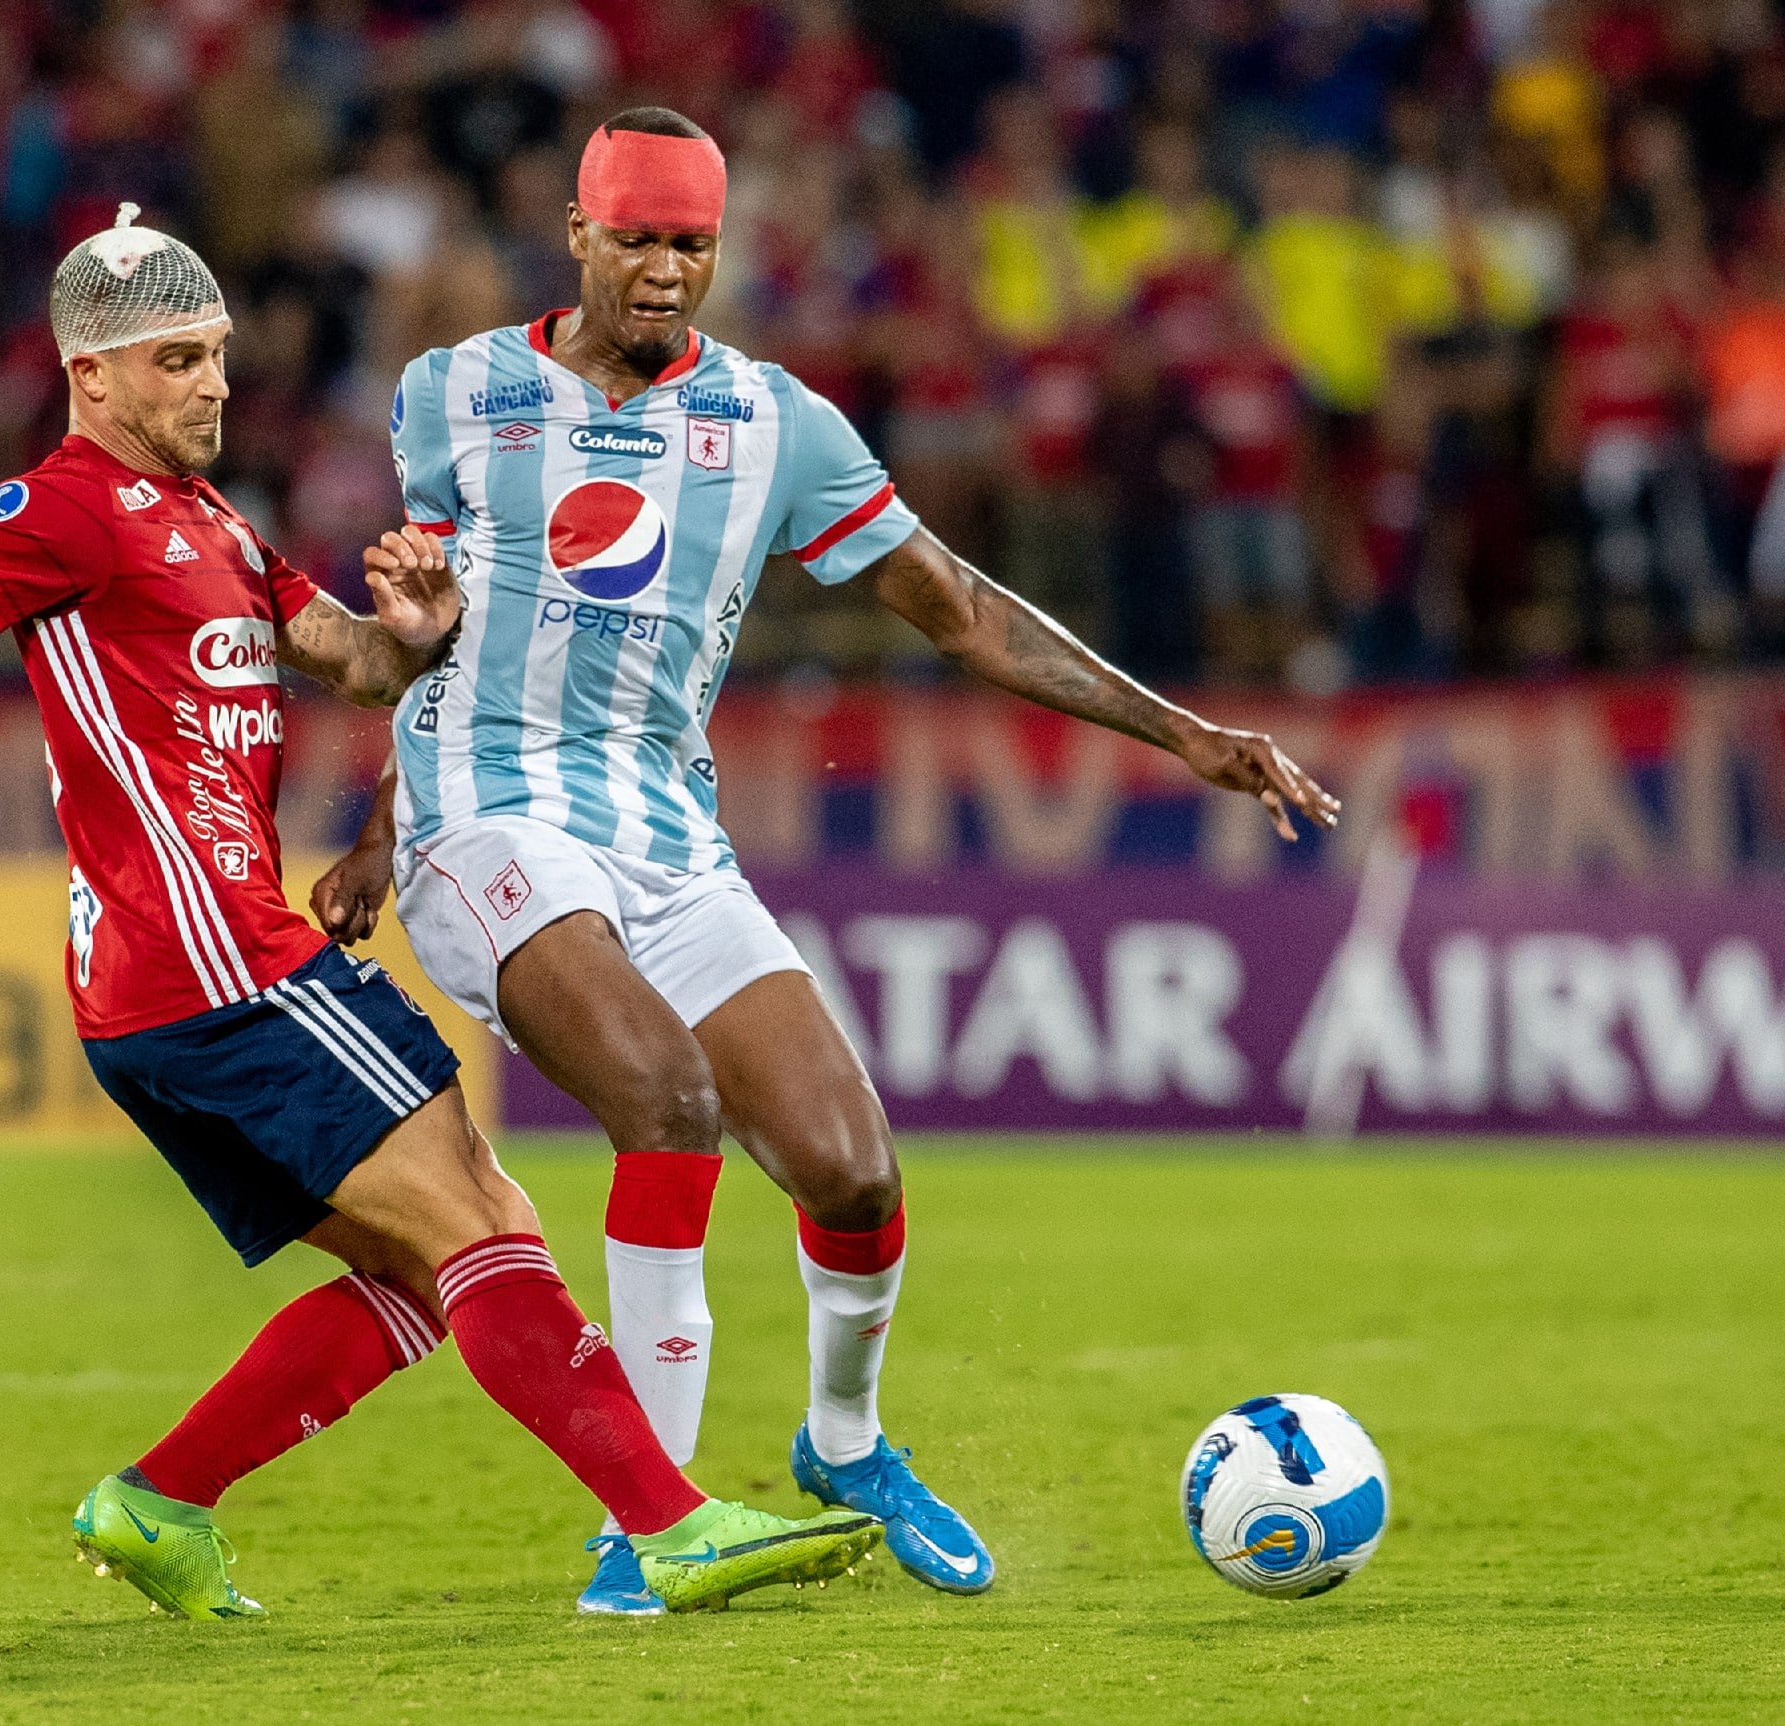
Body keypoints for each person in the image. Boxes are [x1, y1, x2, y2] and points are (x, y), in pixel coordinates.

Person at [0, 205, 880, 1620]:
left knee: (419, 1272)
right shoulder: (65, 513)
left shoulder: (215, 523)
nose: (213, 383)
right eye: (176, 360)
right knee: (482, 1216)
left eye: (217, 354)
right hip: (215, 960)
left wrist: (422, 621)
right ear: (92, 377)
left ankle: (157, 1502)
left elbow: (352, 664)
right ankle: (667, 1520)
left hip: (176, 982)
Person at [311, 111, 1340, 1615]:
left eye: (693, 245)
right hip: (489, 815)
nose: (666, 271)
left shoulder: (778, 423)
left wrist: (1184, 731)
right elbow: (434, 632)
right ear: (581, 237)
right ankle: (648, 1518)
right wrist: (382, 825)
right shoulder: (453, 391)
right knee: (666, 1104)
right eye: (640, 239)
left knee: (852, 1174)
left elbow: (965, 612)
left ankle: (841, 1444)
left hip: (666, 830)